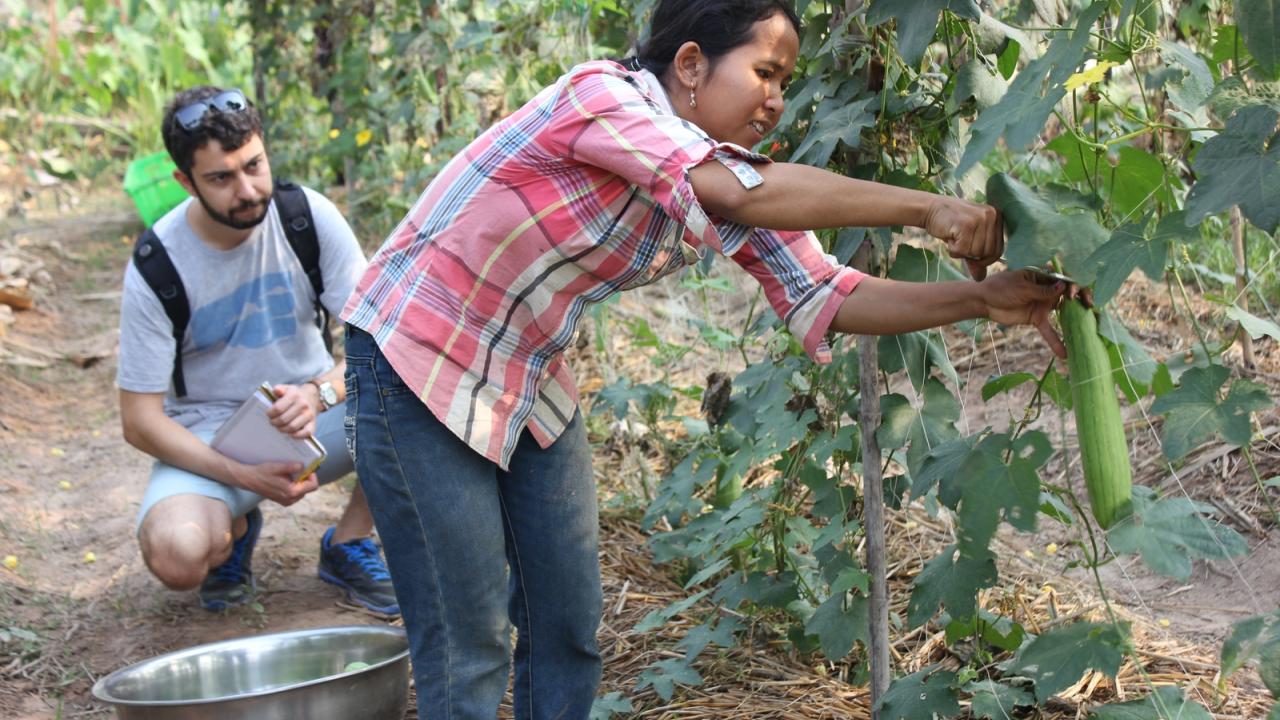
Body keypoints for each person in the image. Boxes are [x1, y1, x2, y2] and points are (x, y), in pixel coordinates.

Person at [341, 0, 1069, 717]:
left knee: (567, 624)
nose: (777, 100)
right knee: (468, 646)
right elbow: (730, 191)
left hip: (526, 369)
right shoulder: (602, 98)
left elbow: (825, 294)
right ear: (690, 63)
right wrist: (925, 207)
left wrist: (985, 298)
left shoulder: (731, 176)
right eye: (766, 73)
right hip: (417, 353)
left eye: (786, 82)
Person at [116, 86, 399, 616]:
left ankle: (349, 541)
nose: (248, 190)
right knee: (177, 557)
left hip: (312, 418)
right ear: (185, 182)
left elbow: (382, 337)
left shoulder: (306, 218)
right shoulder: (158, 263)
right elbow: (139, 420)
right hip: (211, 434)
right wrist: (242, 477)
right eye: (222, 178)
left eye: (254, 165)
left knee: (416, 393)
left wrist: (320, 393)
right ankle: (234, 526)